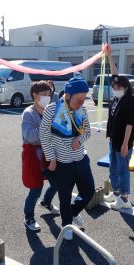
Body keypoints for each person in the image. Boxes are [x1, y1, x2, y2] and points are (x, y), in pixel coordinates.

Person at [39, 78, 95, 240]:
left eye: (84, 98)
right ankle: (67, 225)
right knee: (64, 196)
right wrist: (52, 158)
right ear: (68, 95)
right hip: (63, 162)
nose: (82, 102)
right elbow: (44, 134)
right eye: (79, 99)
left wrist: (80, 139)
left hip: (81, 159)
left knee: (89, 191)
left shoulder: (82, 111)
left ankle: (73, 212)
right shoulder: (52, 109)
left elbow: (88, 132)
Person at [104, 45, 134, 210]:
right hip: (113, 139)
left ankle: (124, 199)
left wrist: (125, 144)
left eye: (118, 87)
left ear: (126, 88)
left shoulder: (130, 101)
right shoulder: (117, 98)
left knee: (122, 169)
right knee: (113, 167)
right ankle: (116, 193)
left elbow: (129, 124)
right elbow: (114, 74)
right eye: (114, 87)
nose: (115, 88)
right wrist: (110, 55)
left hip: (123, 142)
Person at [21, 81, 59, 232]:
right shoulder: (28, 113)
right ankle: (28, 217)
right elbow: (29, 136)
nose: (47, 98)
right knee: (35, 188)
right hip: (34, 156)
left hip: (50, 153)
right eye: (44, 95)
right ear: (35, 95)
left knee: (57, 181)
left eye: (49, 95)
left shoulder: (50, 110)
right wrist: (47, 128)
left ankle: (46, 202)